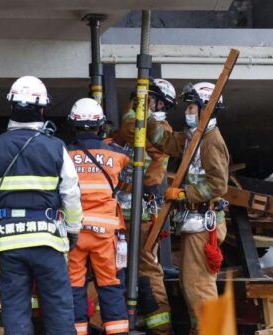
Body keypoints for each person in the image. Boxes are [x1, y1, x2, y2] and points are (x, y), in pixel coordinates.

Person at [0, 76, 83, 335]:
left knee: (15, 306)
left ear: (11, 107)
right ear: (42, 109)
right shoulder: (56, 148)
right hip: (48, 240)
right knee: (58, 305)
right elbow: (71, 194)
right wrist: (73, 229)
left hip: (8, 241)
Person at [146, 82, 229, 334]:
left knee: (198, 285)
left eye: (192, 107)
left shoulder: (211, 141)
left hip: (203, 221)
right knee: (190, 284)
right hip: (194, 220)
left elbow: (218, 185)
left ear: (205, 109)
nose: (188, 112)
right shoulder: (194, 138)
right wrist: (148, 116)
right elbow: (166, 141)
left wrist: (184, 194)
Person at [113, 79, 177, 335]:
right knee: (124, 268)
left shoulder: (157, 129)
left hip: (141, 214)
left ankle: (162, 328)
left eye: (145, 98)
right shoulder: (144, 126)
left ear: (158, 103)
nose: (140, 103)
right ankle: (137, 320)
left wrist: (133, 106)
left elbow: (129, 128)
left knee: (146, 268)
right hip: (125, 213)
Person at [66, 98, 130, 335]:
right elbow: (128, 183)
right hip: (105, 233)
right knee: (111, 286)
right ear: (101, 125)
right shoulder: (117, 154)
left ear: (73, 124)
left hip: (74, 232)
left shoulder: (64, 153)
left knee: (74, 287)